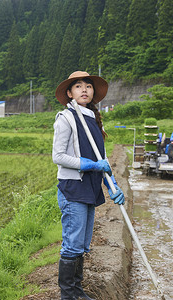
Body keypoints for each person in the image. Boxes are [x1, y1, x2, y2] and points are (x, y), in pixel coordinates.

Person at [52, 71, 125, 300]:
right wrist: (86, 164)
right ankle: (68, 295)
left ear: (93, 92)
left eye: (88, 86)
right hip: (73, 188)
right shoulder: (66, 118)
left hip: (90, 189)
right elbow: (58, 156)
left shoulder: (94, 119)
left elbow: (102, 161)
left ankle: (78, 292)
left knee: (82, 244)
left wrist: (113, 185)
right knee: (72, 244)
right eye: (78, 86)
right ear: (69, 93)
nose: (84, 90)